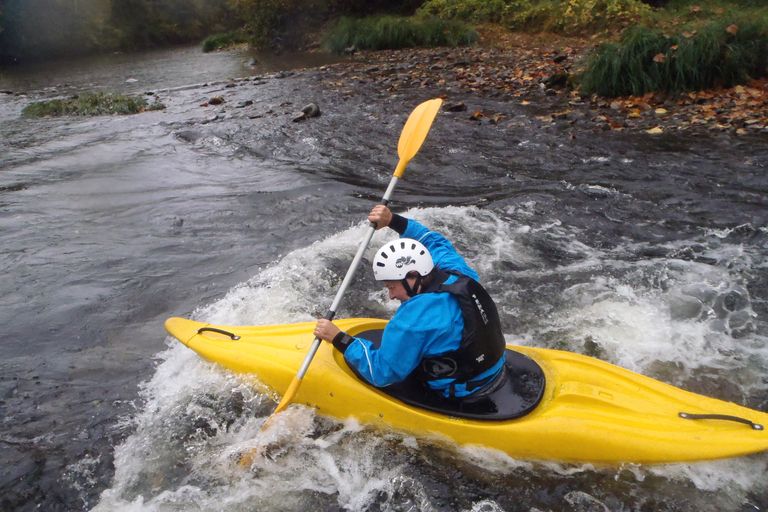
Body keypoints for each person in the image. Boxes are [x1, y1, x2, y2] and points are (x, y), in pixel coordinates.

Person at [313, 205, 507, 399]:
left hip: (461, 391)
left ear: (413, 276)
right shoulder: (456, 271)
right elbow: (432, 240)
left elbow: (381, 373)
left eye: (391, 286)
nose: (390, 296)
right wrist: (393, 220)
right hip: (494, 367)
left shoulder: (414, 321)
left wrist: (340, 339)